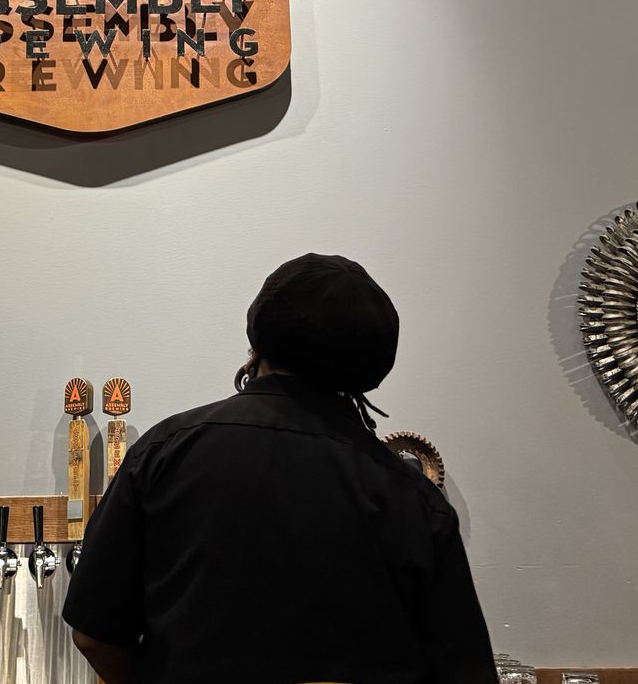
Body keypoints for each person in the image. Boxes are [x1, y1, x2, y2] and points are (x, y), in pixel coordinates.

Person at [63, 253, 497, 684]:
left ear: (257, 343)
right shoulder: (413, 500)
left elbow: (93, 635)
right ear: (370, 368)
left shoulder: (164, 452)